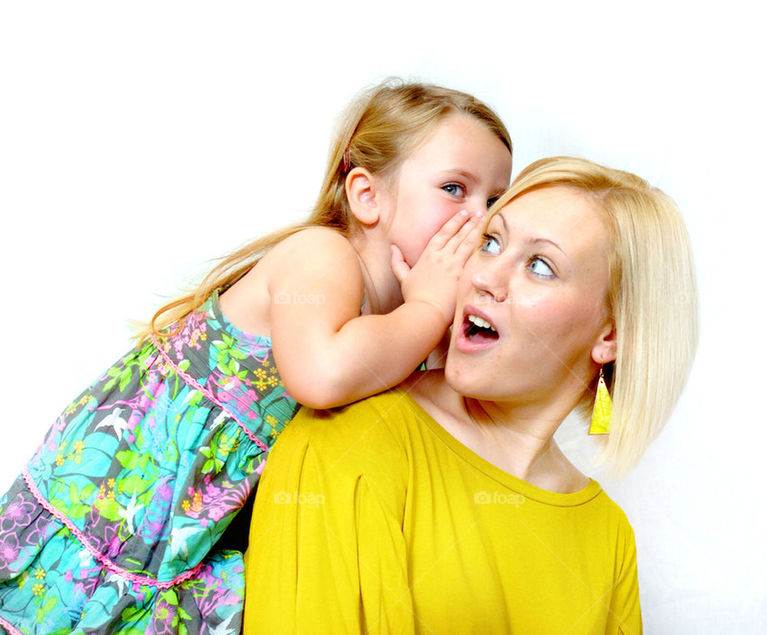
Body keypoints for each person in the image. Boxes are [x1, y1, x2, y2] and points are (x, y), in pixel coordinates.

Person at [0, 81, 512, 634]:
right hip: (129, 492)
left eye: (494, 202)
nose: (478, 217)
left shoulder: (408, 327)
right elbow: (321, 374)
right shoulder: (324, 256)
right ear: (368, 196)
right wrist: (430, 307)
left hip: (198, 519)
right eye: (455, 188)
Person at [243, 156, 699, 633]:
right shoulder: (351, 443)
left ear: (611, 335)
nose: (483, 277)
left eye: (540, 266)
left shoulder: (609, 536)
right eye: (490, 242)